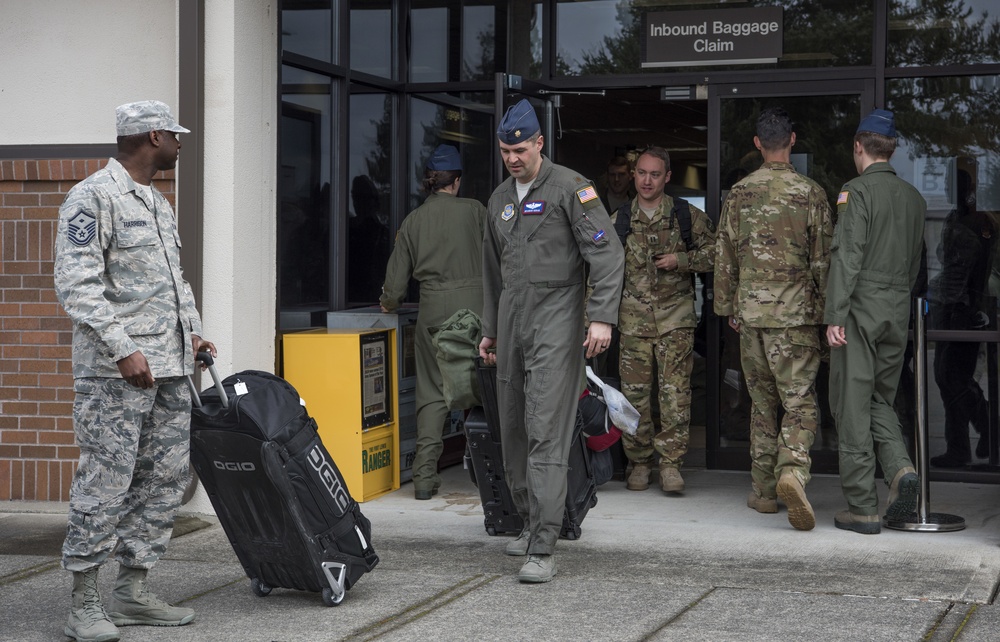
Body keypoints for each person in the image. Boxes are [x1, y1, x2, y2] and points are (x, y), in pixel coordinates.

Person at [54, 100, 217, 641]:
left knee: (165, 478)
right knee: (106, 481)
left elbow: (175, 279)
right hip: (115, 375)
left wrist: (191, 331)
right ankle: (83, 602)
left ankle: (132, 591)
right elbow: (77, 286)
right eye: (175, 134)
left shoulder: (156, 201)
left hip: (170, 368)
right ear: (154, 136)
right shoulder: (92, 197)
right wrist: (123, 348)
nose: (180, 143)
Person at [479, 99, 624, 583]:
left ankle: (544, 543)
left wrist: (601, 317)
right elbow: (492, 273)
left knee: (544, 427)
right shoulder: (500, 198)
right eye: (505, 151)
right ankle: (525, 519)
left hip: (556, 321)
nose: (513, 159)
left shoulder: (571, 189)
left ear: (539, 142)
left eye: (520, 149)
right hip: (512, 322)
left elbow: (606, 253)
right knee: (514, 426)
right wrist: (490, 329)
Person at [714, 107, 833, 531]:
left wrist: (728, 308)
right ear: (794, 140)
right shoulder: (811, 193)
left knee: (761, 404)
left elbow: (723, 257)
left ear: (758, 144)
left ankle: (764, 491)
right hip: (795, 317)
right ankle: (793, 472)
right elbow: (822, 262)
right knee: (798, 403)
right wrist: (825, 314)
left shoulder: (739, 193)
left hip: (751, 317)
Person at [825, 108, 925, 535]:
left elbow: (847, 256)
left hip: (859, 309)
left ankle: (863, 507)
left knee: (850, 404)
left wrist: (834, 314)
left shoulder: (857, 191)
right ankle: (901, 469)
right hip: (896, 309)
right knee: (878, 402)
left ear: (858, 147)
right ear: (894, 149)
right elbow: (916, 263)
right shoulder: (914, 199)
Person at [380, 144, 486, 499]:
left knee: (431, 392)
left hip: (432, 308)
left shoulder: (413, 221)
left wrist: (388, 303)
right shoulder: (476, 211)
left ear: (430, 183)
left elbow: (394, 285)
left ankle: (424, 478)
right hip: (476, 307)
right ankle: (496, 470)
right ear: (456, 181)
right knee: (487, 384)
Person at [617, 146, 715, 494]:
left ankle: (671, 465)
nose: (646, 180)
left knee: (675, 397)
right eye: (641, 173)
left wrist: (681, 260)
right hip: (633, 324)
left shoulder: (687, 217)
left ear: (667, 177)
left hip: (676, 321)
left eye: (654, 174)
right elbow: (600, 272)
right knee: (635, 398)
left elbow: (717, 255)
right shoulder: (619, 220)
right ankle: (639, 463)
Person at [929, 162, 995, 467]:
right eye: (945, 184)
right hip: (949, 304)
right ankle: (958, 447)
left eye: (951, 184)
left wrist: (962, 305)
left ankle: (990, 428)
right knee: (945, 377)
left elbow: (966, 267)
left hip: (966, 308)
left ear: (968, 190)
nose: (946, 189)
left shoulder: (977, 221)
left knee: (955, 376)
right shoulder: (957, 217)